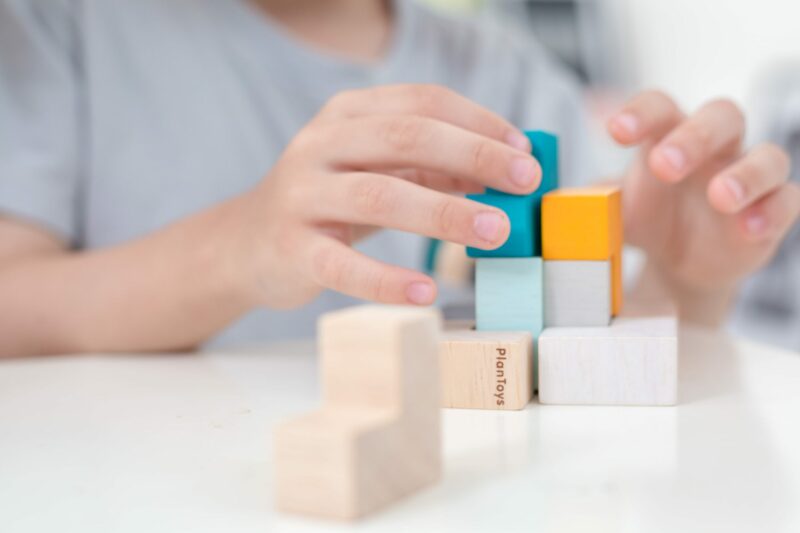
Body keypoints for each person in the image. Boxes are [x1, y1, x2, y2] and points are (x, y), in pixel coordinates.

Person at [0, 0, 797, 357]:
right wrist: (237, 248)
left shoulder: (502, 73)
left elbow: (579, 358)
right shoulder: (57, 27)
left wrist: (688, 283)